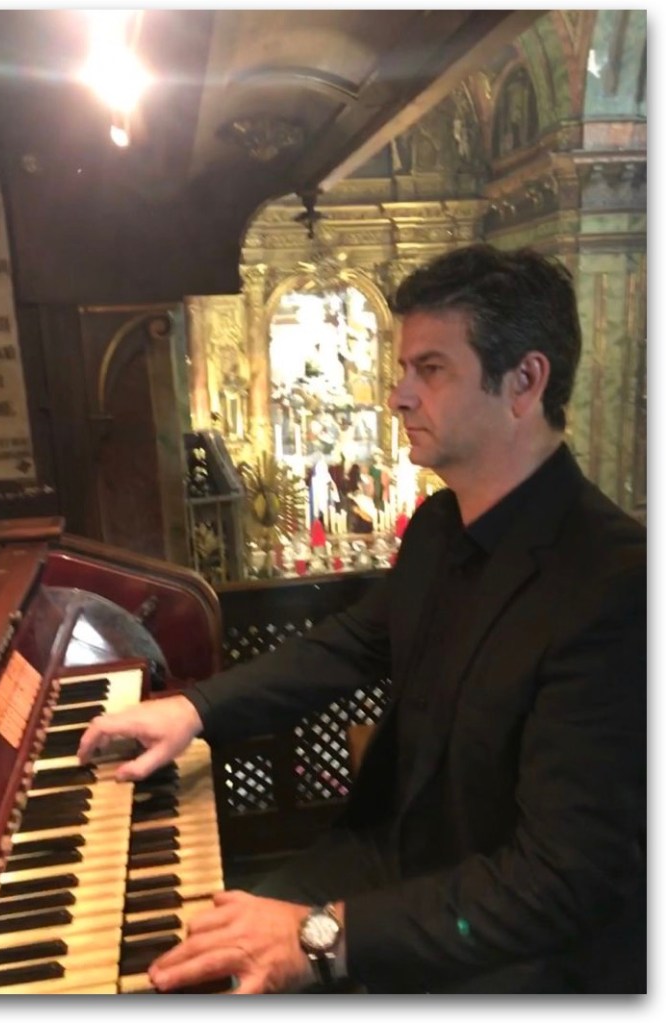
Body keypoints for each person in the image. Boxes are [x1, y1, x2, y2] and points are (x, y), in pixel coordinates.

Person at [78, 244, 646, 995]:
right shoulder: (440, 526)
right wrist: (194, 708)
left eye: (430, 369)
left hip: (517, 949)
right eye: (404, 367)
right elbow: (346, 645)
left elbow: (558, 882)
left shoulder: (616, 583)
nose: (398, 396)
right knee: (176, 968)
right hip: (392, 859)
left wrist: (325, 935)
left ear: (524, 381)